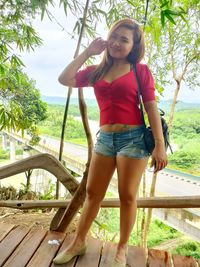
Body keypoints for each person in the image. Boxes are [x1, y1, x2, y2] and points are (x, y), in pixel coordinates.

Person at [53, 18, 168, 267]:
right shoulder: (98, 70)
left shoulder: (140, 71)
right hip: (105, 139)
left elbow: (150, 107)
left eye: (124, 39)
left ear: (133, 45)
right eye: (114, 37)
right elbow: (65, 78)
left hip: (133, 139)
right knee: (93, 194)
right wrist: (87, 52)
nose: (116, 43)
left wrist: (159, 144)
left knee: (127, 196)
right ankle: (79, 241)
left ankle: (122, 249)